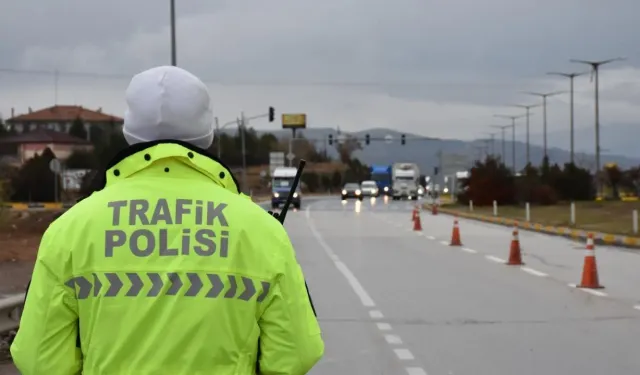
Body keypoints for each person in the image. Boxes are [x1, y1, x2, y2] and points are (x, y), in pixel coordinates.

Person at [10, 65, 324, 375]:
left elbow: (39, 359)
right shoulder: (260, 231)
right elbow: (296, 354)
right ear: (208, 131)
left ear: (129, 131)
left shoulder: (70, 230)